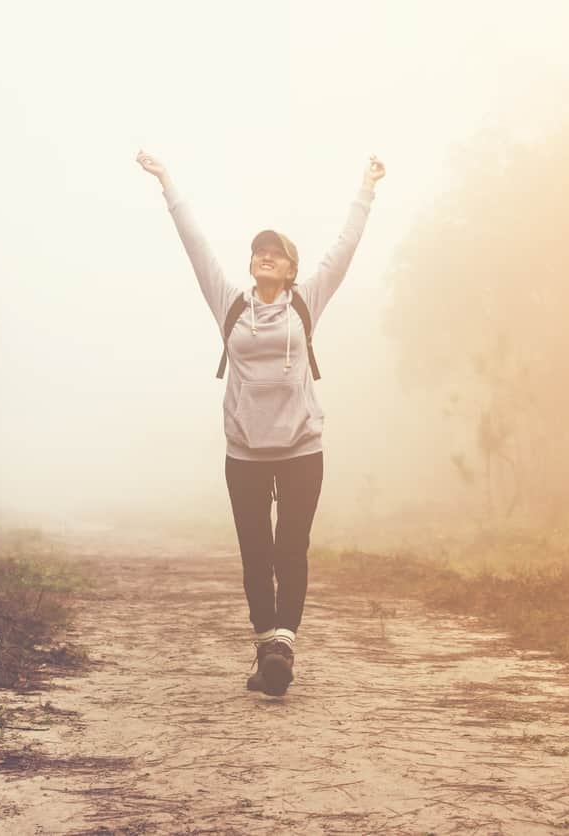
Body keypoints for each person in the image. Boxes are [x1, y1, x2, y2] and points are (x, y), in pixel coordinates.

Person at [136, 148, 385, 696]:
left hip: (302, 447)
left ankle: (283, 647)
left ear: (292, 268)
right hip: (245, 450)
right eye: (259, 251)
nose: (265, 256)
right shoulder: (229, 303)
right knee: (255, 551)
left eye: (276, 253)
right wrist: (167, 181)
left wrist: (365, 189)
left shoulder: (306, 302)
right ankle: (266, 647)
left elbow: (344, 249)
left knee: (289, 547)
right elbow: (195, 246)